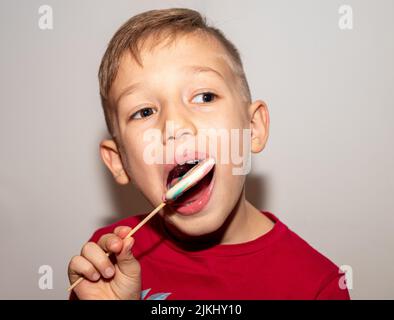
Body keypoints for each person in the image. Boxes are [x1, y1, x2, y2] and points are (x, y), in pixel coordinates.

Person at [68, 8, 350, 300]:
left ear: (252, 128)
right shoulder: (106, 264)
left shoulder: (316, 286)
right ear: (119, 162)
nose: (174, 125)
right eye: (144, 111)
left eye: (204, 96)